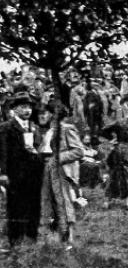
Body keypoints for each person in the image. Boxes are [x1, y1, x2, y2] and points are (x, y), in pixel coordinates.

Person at [37, 101, 85, 249]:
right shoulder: (45, 131)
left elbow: (78, 151)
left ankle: (68, 238)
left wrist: (57, 158)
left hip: (61, 170)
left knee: (63, 202)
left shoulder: (66, 129)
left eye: (44, 114)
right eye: (39, 114)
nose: (41, 117)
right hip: (46, 169)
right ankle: (52, 236)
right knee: (47, 202)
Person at [0, 91, 44, 247]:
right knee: (16, 205)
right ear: (15, 109)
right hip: (16, 173)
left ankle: (32, 236)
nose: (27, 111)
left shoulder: (35, 127)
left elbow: (40, 148)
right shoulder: (7, 127)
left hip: (34, 173)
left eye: (29, 108)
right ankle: (15, 239)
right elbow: (3, 151)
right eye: (24, 107)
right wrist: (3, 173)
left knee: (34, 204)